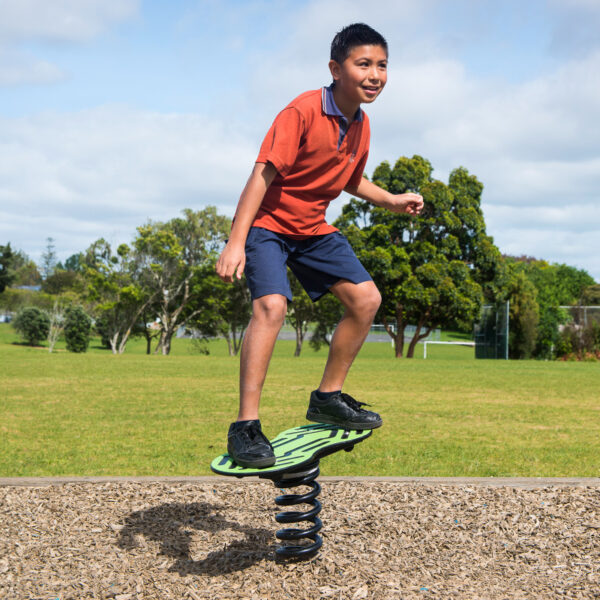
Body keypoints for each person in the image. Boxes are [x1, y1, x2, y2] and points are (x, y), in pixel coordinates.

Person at [216, 23, 423, 468]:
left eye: (382, 65)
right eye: (363, 64)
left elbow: (349, 179)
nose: (375, 74)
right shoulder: (303, 111)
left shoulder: (360, 124)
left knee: (366, 300)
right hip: (267, 226)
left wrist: (391, 199)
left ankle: (327, 398)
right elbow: (262, 175)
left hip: (311, 229)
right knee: (271, 307)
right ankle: (245, 427)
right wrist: (236, 242)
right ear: (336, 67)